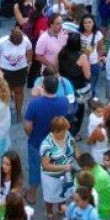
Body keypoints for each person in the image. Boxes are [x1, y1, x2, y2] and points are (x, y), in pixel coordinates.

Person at [23, 75, 69, 206]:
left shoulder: (35, 104)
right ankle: (59, 197)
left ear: (43, 86)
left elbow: (27, 126)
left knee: (34, 167)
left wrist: (30, 135)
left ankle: (31, 194)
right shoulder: (64, 102)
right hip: (56, 142)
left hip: (37, 141)